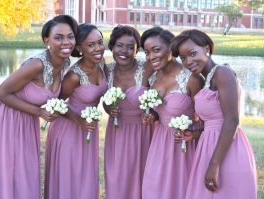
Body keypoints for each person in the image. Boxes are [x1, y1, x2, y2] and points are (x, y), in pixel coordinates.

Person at [0, 15, 78, 199]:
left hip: (26, 118)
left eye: (70, 36)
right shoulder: (36, 64)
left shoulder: (65, 63)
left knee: (25, 171)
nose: (66, 42)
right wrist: (39, 111)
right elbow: (1, 93)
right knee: (6, 171)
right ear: (46, 40)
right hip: (3, 116)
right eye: (59, 37)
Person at [171, 29, 257, 199]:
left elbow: (231, 121)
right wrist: (195, 134)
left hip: (225, 152)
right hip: (209, 148)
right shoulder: (207, 79)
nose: (188, 61)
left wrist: (215, 164)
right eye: (183, 58)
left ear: (207, 49)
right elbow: (213, 121)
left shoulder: (222, 73)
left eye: (192, 53)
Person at [44, 23, 107, 199]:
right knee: (69, 175)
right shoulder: (74, 75)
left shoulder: (101, 65)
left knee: (85, 176)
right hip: (69, 129)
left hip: (88, 129)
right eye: (91, 44)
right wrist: (79, 120)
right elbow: (56, 104)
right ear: (79, 48)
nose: (98, 48)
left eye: (100, 42)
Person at [140, 27, 204, 199]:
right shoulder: (153, 78)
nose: (151, 57)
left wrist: (194, 134)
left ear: (170, 48)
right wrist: (152, 115)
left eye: (156, 50)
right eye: (147, 52)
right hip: (160, 141)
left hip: (185, 143)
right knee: (155, 188)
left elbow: (208, 117)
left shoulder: (191, 79)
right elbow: (159, 110)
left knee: (182, 188)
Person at [103, 25, 153, 199]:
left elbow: (164, 94)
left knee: (141, 177)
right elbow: (105, 102)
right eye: (119, 45)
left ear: (137, 50)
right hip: (117, 132)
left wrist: (153, 114)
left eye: (130, 47)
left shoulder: (147, 68)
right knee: (116, 177)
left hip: (143, 131)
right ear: (112, 46)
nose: (124, 51)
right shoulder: (105, 70)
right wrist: (108, 109)